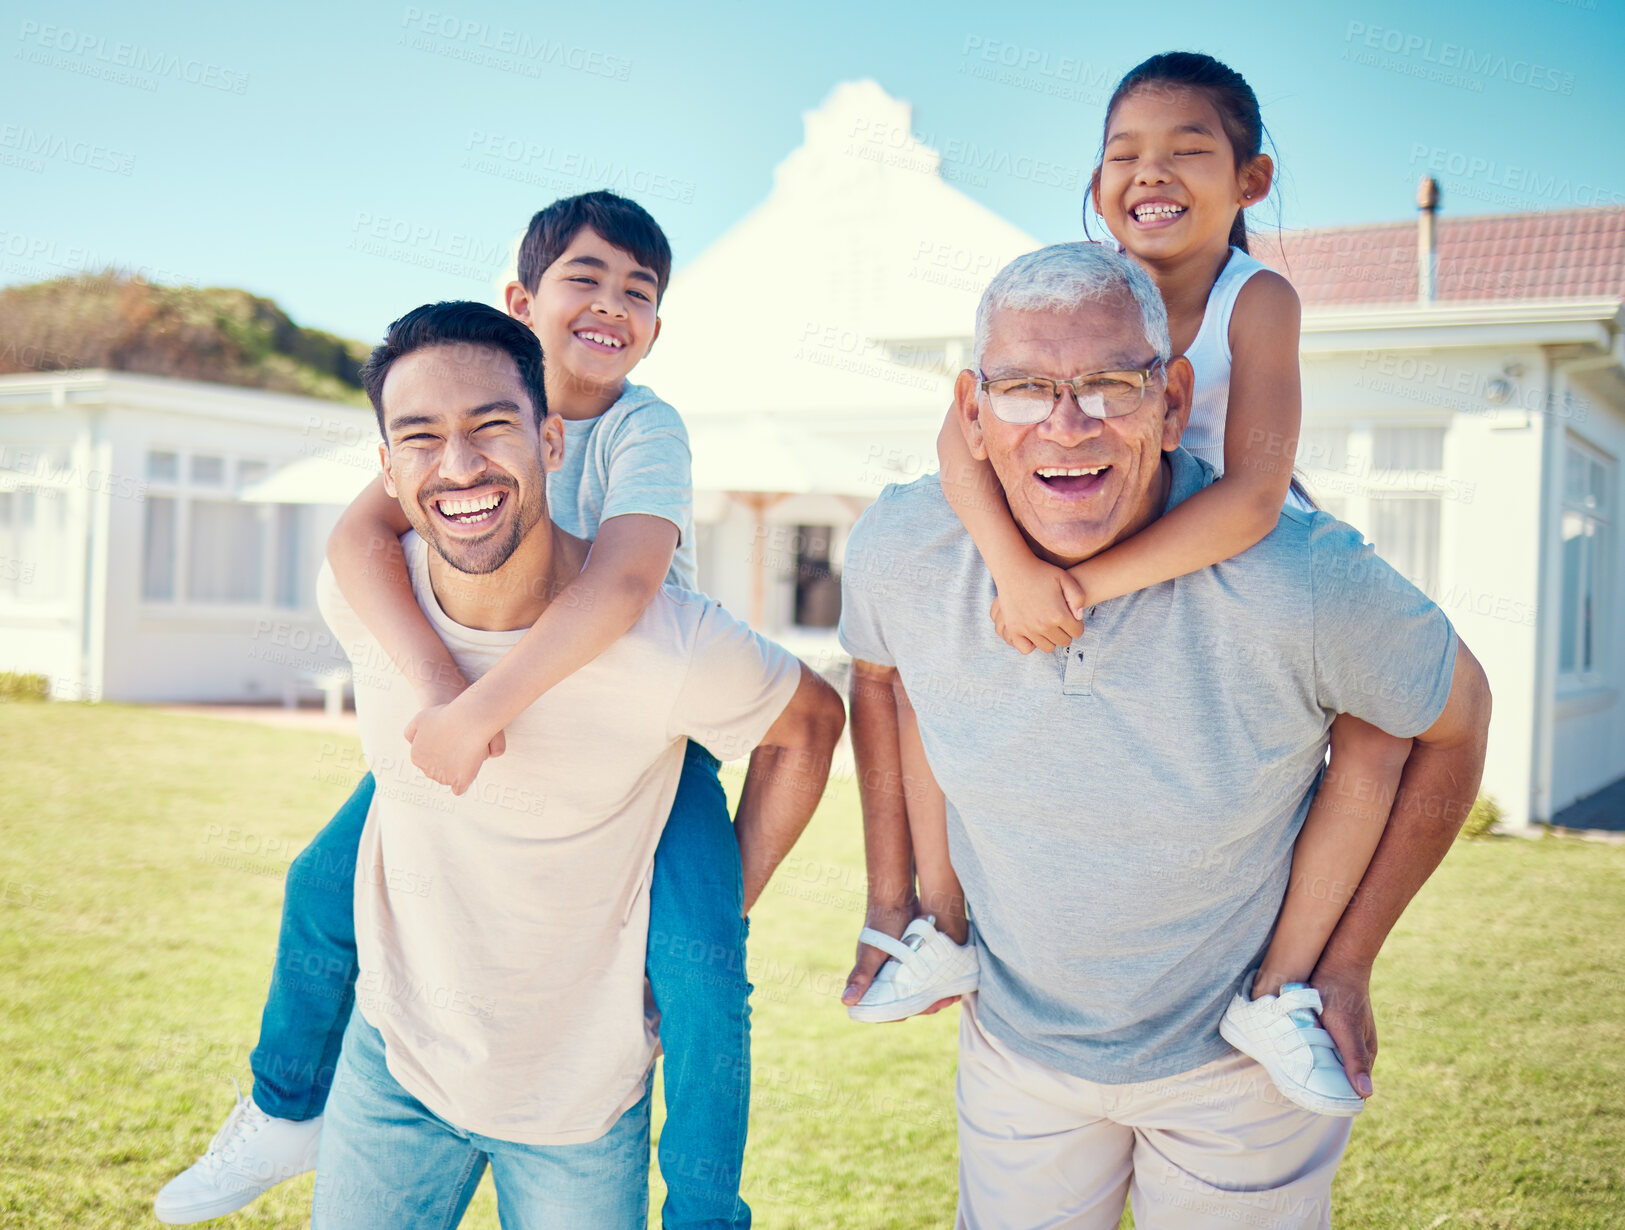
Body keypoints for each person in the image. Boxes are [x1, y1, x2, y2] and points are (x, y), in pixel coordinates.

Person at [838, 241, 1491, 1226]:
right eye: (1021, 389)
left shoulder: (1299, 577)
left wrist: (1344, 965)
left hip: (1238, 1077)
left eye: (1108, 383)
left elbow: (1456, 721)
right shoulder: (903, 550)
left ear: (1172, 401)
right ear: (969, 413)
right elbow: (879, 684)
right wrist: (906, 904)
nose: (1065, 424)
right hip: (1016, 1056)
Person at [155, 193, 770, 1228]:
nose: (611, 303)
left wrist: (484, 705)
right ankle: (284, 1108)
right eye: (586, 277)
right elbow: (357, 543)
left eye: (639, 291)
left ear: (657, 328)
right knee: (322, 882)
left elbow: (622, 587)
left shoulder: (640, 425)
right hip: (478, 711)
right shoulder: (454, 415)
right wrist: (445, 699)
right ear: (520, 299)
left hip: (648, 741)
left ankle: (707, 1209)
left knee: (700, 972)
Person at [847, 52, 1413, 1120]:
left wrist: (1082, 587)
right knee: (931, 674)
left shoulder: (1257, 299)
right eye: (1123, 155)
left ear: (1250, 180)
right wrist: (1017, 573)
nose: (1149, 173)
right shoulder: (1073, 288)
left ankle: (1283, 983)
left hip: (1228, 549)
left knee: (1383, 722)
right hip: (1076, 538)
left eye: (1186, 151)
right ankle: (944, 929)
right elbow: (956, 442)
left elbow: (1247, 499)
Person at [320, 300, 839, 1226]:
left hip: (578, 1102)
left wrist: (715, 912)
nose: (460, 466)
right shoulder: (363, 597)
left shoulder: (667, 644)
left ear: (553, 441)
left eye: (491, 428)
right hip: (392, 1063)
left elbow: (809, 724)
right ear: (388, 472)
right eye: (421, 439)